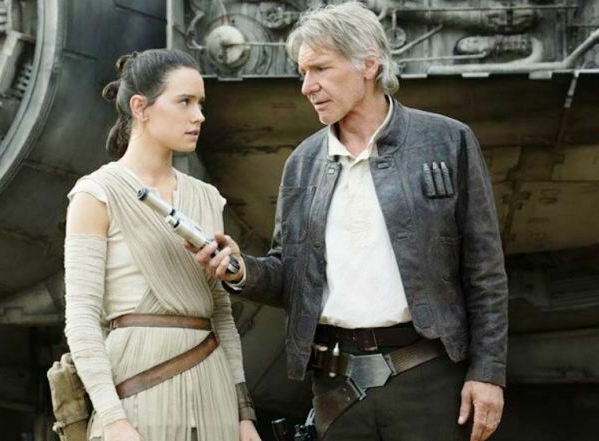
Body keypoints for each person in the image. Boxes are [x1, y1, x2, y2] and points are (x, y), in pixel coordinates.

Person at [188, 3, 508, 441]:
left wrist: (488, 373)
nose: (307, 86)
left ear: (369, 65)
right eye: (303, 72)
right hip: (337, 392)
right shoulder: (302, 162)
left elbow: (485, 270)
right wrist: (241, 271)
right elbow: (290, 275)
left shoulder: (448, 141)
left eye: (320, 68)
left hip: (430, 383)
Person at [64, 49, 261, 441]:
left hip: (214, 393)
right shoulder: (96, 194)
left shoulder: (207, 197)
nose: (198, 116)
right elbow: (82, 317)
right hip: (135, 391)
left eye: (200, 103)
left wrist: (244, 417)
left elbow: (221, 315)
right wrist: (113, 419)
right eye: (184, 101)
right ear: (141, 107)